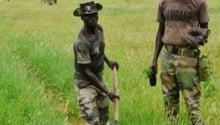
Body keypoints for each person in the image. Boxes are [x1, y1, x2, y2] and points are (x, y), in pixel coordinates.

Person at [151, 0, 209, 124]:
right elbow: (160, 31)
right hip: (167, 56)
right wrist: (154, 60)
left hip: (187, 58)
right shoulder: (164, 2)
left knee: (193, 105)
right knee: (169, 105)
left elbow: (205, 30)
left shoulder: (199, 3)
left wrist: (196, 39)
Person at [72, 1, 119, 125]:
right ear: (82, 18)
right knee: (93, 121)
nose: (93, 18)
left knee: (104, 119)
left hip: (98, 80)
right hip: (85, 84)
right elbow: (87, 72)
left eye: (94, 14)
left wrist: (109, 62)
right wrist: (108, 92)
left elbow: (99, 50)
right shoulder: (81, 42)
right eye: (88, 16)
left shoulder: (99, 29)